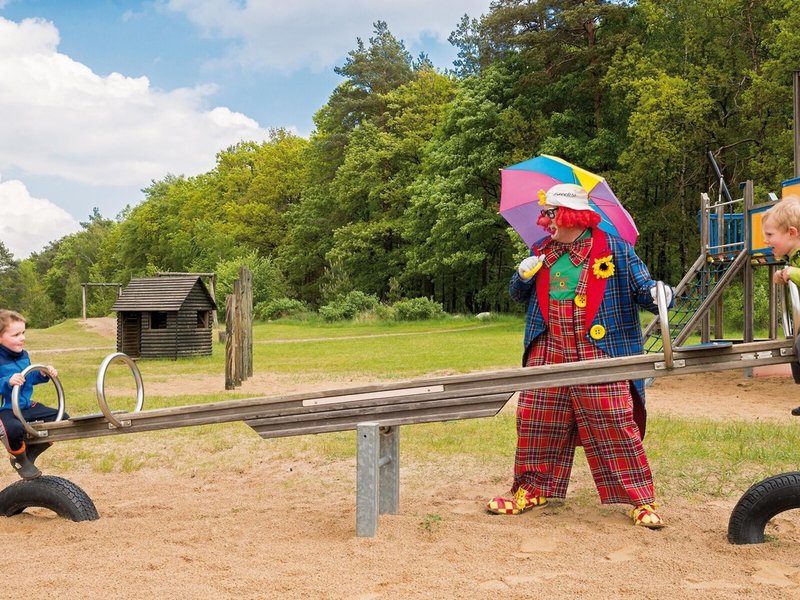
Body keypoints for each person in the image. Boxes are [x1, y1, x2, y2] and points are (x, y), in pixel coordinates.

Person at [487, 183, 673, 529]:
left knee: (614, 421)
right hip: (549, 346)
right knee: (536, 419)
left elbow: (643, 289)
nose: (544, 221)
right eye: (545, 214)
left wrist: (659, 293)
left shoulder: (614, 248)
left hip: (599, 349)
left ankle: (641, 500)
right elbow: (518, 295)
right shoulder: (541, 250)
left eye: (550, 214)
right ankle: (531, 489)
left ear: (572, 215)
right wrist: (522, 277)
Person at [0, 309, 66, 479]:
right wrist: (7, 381)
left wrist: (42, 373)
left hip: (25, 406)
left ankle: (30, 452)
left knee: (61, 419)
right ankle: (19, 458)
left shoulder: (23, 355)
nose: (22, 338)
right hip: (6, 409)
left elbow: (29, 378)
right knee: (13, 429)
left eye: (23, 333)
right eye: (16, 335)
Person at [761, 195, 800, 415]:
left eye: (770, 235)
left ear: (791, 233)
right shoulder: (793, 258)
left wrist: (792, 273)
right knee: (796, 348)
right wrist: (785, 274)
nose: (765, 240)